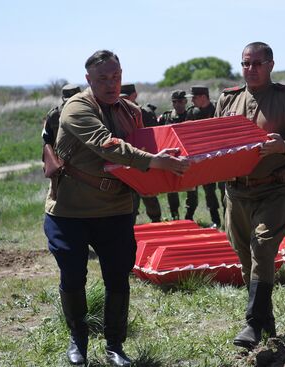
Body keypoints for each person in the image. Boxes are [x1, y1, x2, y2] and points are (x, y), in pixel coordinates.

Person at [44, 50, 189, 366]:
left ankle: (114, 346)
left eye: (116, 77)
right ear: (88, 80)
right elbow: (106, 144)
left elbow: (154, 137)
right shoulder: (76, 108)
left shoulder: (130, 110)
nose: (111, 84)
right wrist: (153, 161)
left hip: (116, 208)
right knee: (72, 276)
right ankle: (78, 342)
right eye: (102, 79)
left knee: (118, 276)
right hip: (70, 211)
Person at [214, 42, 285, 349]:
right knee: (245, 255)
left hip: (275, 188)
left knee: (262, 246)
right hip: (236, 191)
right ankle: (266, 319)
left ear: (270, 65)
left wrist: (284, 145)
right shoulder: (228, 99)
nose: (251, 69)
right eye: (246, 63)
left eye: (257, 63)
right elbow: (217, 138)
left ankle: (253, 324)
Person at [120, 83, 162, 223]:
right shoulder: (116, 112)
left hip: (145, 159)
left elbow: (155, 137)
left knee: (149, 195)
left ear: (134, 95)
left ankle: (157, 223)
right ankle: (130, 227)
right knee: (130, 199)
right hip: (127, 160)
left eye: (127, 97)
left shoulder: (145, 113)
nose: (124, 100)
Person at [185, 85, 224, 228]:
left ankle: (228, 220)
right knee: (209, 191)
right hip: (202, 157)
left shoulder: (217, 110)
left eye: (194, 98)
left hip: (219, 157)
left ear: (203, 97)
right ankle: (216, 221)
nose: (192, 101)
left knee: (224, 189)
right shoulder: (192, 113)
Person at [157, 90, 197, 221]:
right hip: (173, 157)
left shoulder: (192, 115)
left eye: (180, 101)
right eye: (174, 102)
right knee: (172, 189)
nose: (177, 104)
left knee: (192, 189)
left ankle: (189, 217)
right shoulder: (166, 117)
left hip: (189, 157)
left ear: (185, 101)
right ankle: (175, 217)